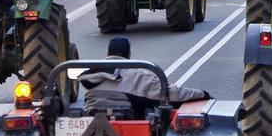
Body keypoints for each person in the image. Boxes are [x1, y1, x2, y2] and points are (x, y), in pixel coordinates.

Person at [78, 37, 209, 118]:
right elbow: (172, 93)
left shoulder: (91, 75)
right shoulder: (138, 76)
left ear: (108, 53)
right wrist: (202, 94)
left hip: (95, 124)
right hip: (131, 129)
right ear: (128, 54)